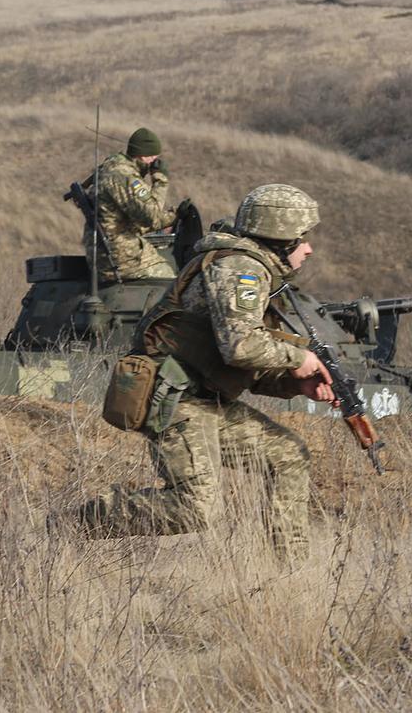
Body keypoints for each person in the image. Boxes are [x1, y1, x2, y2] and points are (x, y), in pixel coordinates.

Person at [76, 183, 336, 563]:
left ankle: (290, 570)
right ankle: (74, 523)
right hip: (175, 397)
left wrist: (296, 385)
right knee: (195, 508)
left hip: (204, 399)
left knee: (288, 454)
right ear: (280, 237)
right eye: (301, 239)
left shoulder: (255, 271)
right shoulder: (240, 269)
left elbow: (239, 363)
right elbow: (242, 345)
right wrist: (299, 359)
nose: (308, 248)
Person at [85, 127, 177, 283]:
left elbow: (131, 221)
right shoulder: (125, 177)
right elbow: (152, 217)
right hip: (123, 259)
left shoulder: (109, 170)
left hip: (106, 255)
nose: (154, 164)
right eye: (153, 158)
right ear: (143, 155)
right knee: (171, 282)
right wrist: (161, 180)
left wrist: (171, 217)